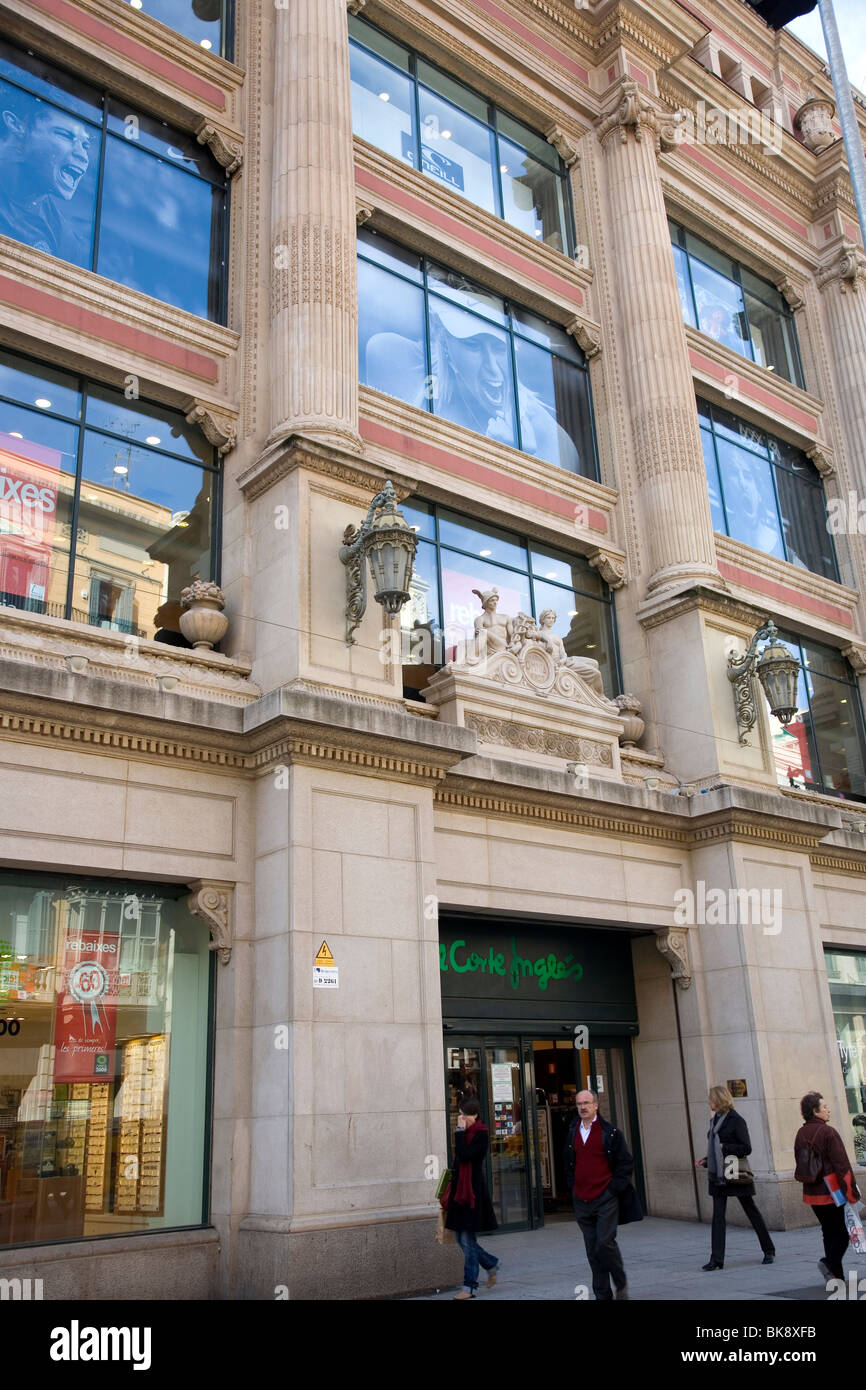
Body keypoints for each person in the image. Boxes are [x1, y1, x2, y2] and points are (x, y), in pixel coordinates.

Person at [563, 1088, 642, 1301]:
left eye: (587, 1103)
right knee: (592, 1249)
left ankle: (620, 1280)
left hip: (605, 1197)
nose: (582, 1107)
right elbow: (568, 1163)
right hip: (582, 1198)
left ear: (596, 1105)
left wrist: (613, 1188)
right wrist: (572, 1186)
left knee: (604, 1243)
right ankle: (602, 1295)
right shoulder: (573, 1131)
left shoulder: (611, 1133)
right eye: (579, 1103)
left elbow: (626, 1163)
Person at [0, 88, 92, 263]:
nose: (82, 156)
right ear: (17, 126)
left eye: (85, 146)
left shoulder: (64, 239)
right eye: (65, 135)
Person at [695, 1084, 775, 1270]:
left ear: (719, 1100)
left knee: (751, 1211)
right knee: (718, 1216)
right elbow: (715, 1149)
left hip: (735, 1172)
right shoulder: (715, 1120)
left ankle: (769, 1249)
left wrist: (725, 1147)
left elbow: (746, 1148)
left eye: (711, 1099)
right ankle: (716, 1259)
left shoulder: (736, 1120)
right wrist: (707, 1160)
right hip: (718, 1174)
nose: (709, 1102)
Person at [794, 1090, 860, 1283]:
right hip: (832, 1191)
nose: (828, 1110)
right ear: (815, 1111)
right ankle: (829, 1263)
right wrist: (851, 1191)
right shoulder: (828, 1132)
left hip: (812, 1191)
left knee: (828, 1231)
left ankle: (836, 1276)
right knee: (842, 1233)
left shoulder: (801, 1132)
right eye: (824, 1107)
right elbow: (842, 1165)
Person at [442, 1097, 499, 1299]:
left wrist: (458, 1132)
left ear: (471, 1115)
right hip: (460, 1193)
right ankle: (491, 1263)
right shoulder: (467, 1133)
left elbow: (465, 1156)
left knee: (467, 1240)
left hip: (472, 1194)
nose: (460, 1118)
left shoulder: (481, 1134)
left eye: (462, 1115)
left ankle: (469, 1287)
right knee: (460, 1237)